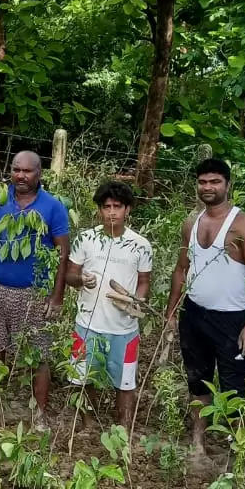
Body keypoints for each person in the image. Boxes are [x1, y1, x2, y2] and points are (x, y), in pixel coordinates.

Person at [165, 158, 245, 459]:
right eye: (202, 182)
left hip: (231, 319)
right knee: (197, 379)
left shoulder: (244, 225)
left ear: (227, 184)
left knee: (233, 384)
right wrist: (172, 311)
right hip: (194, 313)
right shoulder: (191, 223)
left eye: (215, 182)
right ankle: (198, 443)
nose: (208, 188)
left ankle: (239, 450)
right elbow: (181, 268)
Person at [0, 150, 70, 429]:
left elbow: (63, 253)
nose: (21, 176)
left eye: (27, 171)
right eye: (16, 170)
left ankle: (39, 413)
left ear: (39, 174)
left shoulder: (52, 207)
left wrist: (56, 296)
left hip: (34, 293)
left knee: (38, 354)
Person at [66, 181, 153, 430]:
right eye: (107, 207)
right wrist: (81, 280)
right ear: (99, 210)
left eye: (117, 207)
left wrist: (135, 301)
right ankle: (88, 423)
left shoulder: (140, 245)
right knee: (83, 377)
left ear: (128, 210)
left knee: (125, 382)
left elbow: (145, 282)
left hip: (124, 328)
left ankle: (123, 429)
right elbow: (70, 275)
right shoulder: (86, 239)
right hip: (87, 324)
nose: (112, 212)